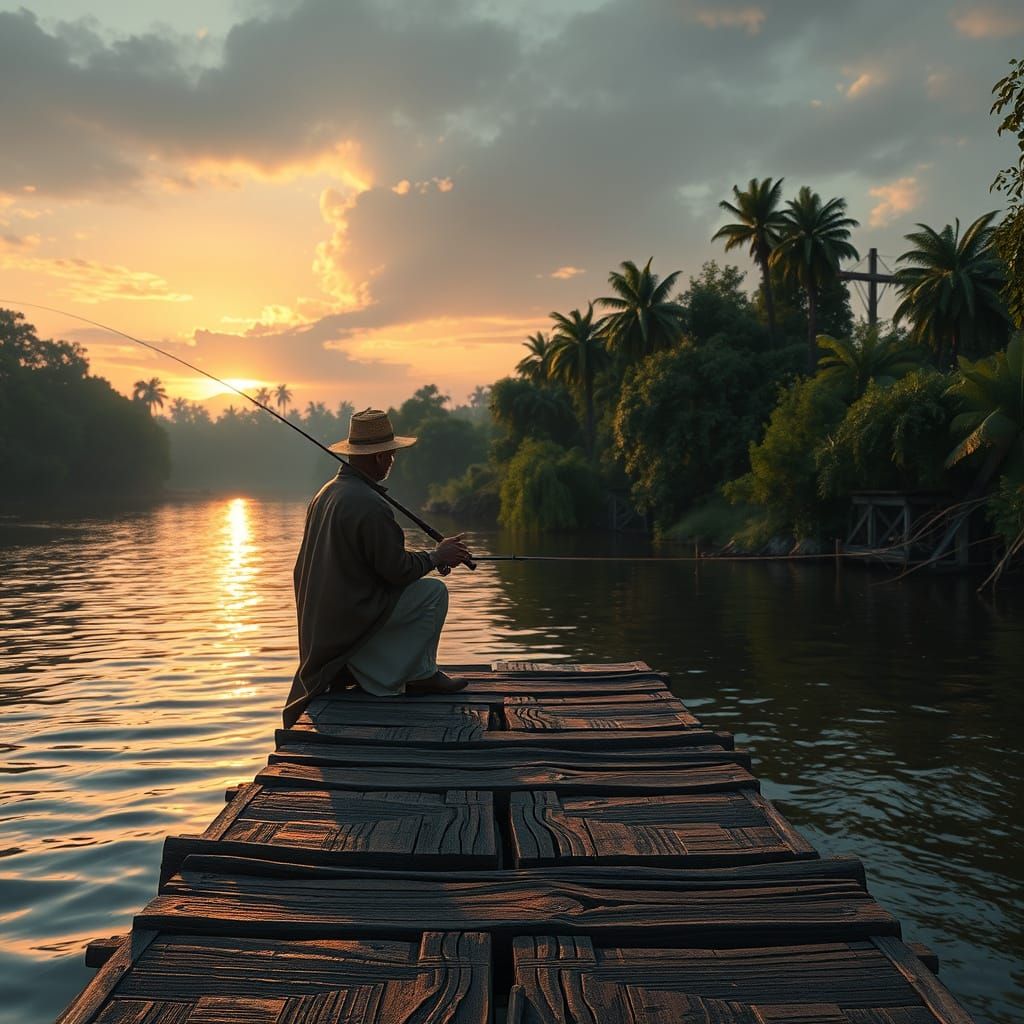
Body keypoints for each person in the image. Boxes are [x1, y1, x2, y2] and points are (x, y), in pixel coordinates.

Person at [283, 408, 473, 727]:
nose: (393, 461)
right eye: (392, 455)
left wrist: (431, 556)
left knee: (419, 587)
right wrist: (436, 557)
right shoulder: (368, 504)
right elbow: (396, 570)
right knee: (433, 593)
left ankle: (374, 668)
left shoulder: (327, 493)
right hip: (346, 624)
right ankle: (420, 674)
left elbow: (374, 563)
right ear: (380, 458)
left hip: (328, 625)